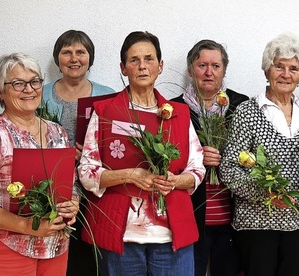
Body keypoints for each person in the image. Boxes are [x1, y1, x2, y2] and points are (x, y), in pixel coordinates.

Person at [78, 31, 205, 276]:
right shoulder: (105, 111)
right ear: (123, 68)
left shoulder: (179, 113)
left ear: (160, 65)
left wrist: (176, 181)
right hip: (121, 235)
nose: (142, 66)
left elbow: (197, 168)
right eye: (134, 60)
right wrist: (129, 175)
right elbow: (86, 171)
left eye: (149, 59)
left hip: (171, 236)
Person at [0, 53, 79, 275]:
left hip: (54, 248)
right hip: (4, 248)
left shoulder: (58, 132)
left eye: (35, 81)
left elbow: (70, 185)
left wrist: (73, 202)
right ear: (0, 92)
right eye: (18, 83)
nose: (29, 89)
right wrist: (27, 226)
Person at [219, 32, 299, 276]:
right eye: (279, 66)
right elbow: (229, 169)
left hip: (297, 222)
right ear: (267, 70)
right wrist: (263, 194)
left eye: (293, 69)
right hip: (256, 225)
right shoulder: (247, 111)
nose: (286, 74)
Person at [170, 39, 248, 276]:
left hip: (233, 219)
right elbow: (167, 160)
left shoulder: (241, 106)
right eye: (202, 65)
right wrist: (195, 158)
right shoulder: (174, 110)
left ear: (224, 70)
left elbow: (254, 155)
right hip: (192, 218)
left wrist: (227, 157)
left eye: (216, 66)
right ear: (190, 69)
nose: (208, 72)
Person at [42, 29, 115, 276]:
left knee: (91, 258)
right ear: (57, 59)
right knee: (58, 256)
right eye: (67, 52)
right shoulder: (39, 94)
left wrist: (93, 154)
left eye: (80, 52)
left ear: (90, 58)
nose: (74, 58)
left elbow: (119, 143)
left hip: (97, 190)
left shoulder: (109, 95)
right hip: (53, 188)